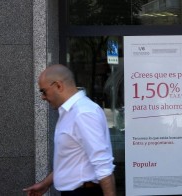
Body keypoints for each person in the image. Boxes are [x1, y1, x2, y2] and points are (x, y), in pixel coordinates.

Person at [24, 64, 116, 196]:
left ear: (58, 86)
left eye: (43, 91)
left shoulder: (83, 113)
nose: (42, 97)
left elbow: (103, 165)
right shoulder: (70, 112)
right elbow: (70, 160)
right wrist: (45, 184)